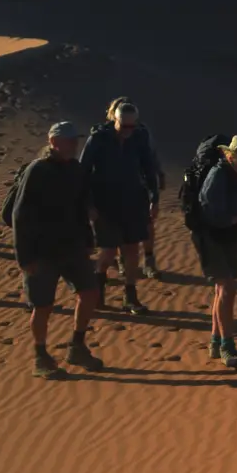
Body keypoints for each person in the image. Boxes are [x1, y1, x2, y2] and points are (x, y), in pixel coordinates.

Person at [10, 122, 105, 378]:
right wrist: (24, 257)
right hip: (41, 252)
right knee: (43, 306)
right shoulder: (37, 171)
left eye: (76, 140)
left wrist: (87, 240)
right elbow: (20, 216)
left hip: (73, 246)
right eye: (69, 141)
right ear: (53, 142)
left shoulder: (75, 169)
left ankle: (77, 346)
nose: (74, 145)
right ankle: (40, 356)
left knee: (90, 292)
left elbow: (81, 205)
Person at [80, 101, 160, 315]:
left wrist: (155, 198)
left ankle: (130, 297)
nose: (128, 131)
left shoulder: (139, 137)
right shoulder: (98, 139)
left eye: (132, 126)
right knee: (107, 252)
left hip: (133, 201)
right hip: (105, 204)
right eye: (124, 126)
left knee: (132, 250)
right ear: (113, 120)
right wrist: (88, 204)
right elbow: (83, 172)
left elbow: (149, 168)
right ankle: (98, 293)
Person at [194, 135, 237, 369]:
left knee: (222, 290)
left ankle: (215, 341)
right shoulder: (217, 177)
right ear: (231, 157)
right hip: (212, 236)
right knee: (227, 289)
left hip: (232, 234)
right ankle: (227, 346)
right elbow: (212, 216)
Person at [104, 96, 167, 281]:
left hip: (142, 184)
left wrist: (158, 174)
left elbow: (150, 155)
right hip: (116, 189)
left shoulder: (142, 131)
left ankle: (148, 260)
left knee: (148, 223)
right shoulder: (105, 135)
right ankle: (122, 261)